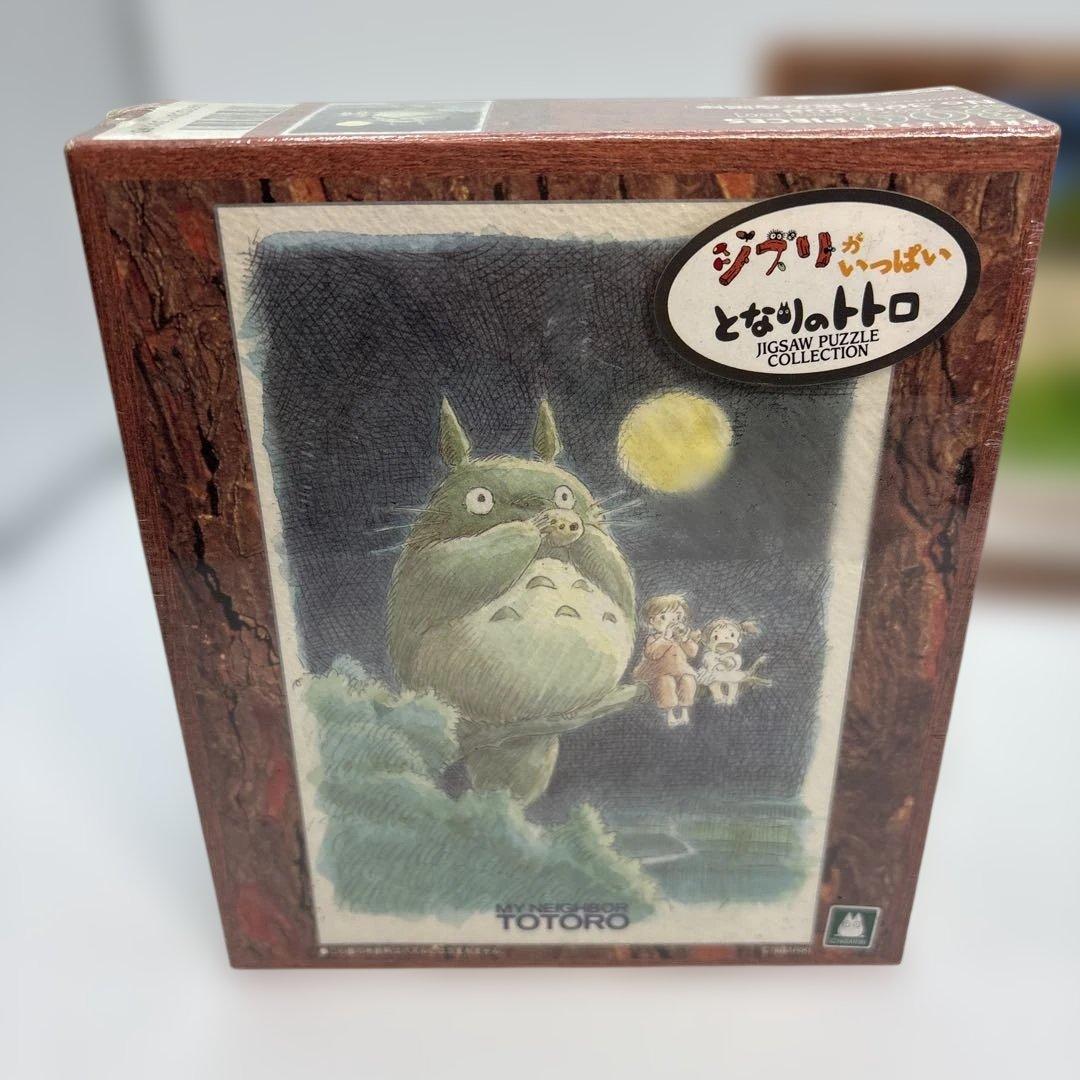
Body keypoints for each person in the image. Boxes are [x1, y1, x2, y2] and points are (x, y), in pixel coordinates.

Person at [631, 594, 700, 728]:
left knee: (689, 681)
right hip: (659, 671)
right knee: (665, 683)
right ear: (652, 621)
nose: (671, 623)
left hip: (680, 670)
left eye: (678, 618)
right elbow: (653, 654)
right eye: (664, 617)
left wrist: (685, 640)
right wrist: (666, 638)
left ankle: (685, 712)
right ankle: (670, 714)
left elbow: (693, 652)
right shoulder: (653, 639)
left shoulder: (680, 638)